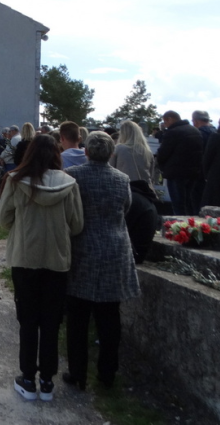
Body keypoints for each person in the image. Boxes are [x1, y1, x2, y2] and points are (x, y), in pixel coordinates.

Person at [0, 134, 83, 402]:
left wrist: (24, 229)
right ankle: (47, 380)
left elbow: (3, 218)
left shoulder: (15, 180)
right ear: (56, 154)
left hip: (25, 258)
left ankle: (27, 378)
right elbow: (77, 224)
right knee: (51, 321)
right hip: (56, 260)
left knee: (28, 320)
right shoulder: (69, 183)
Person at [63, 132, 140, 392]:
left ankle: (77, 374)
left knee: (78, 317)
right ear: (111, 154)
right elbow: (126, 207)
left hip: (83, 247)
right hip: (114, 249)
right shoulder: (122, 179)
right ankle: (107, 375)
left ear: (86, 151)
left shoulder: (74, 175)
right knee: (109, 316)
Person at [110, 120, 161, 259]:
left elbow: (111, 169)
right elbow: (151, 174)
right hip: (144, 191)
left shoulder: (119, 148)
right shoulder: (147, 151)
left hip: (125, 189)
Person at [156, 110, 203, 215]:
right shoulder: (195, 131)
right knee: (189, 203)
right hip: (193, 172)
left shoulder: (173, 132)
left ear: (170, 119)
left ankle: (179, 227)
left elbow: (163, 153)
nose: (165, 125)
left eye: (165, 122)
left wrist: (162, 166)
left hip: (176, 173)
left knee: (178, 205)